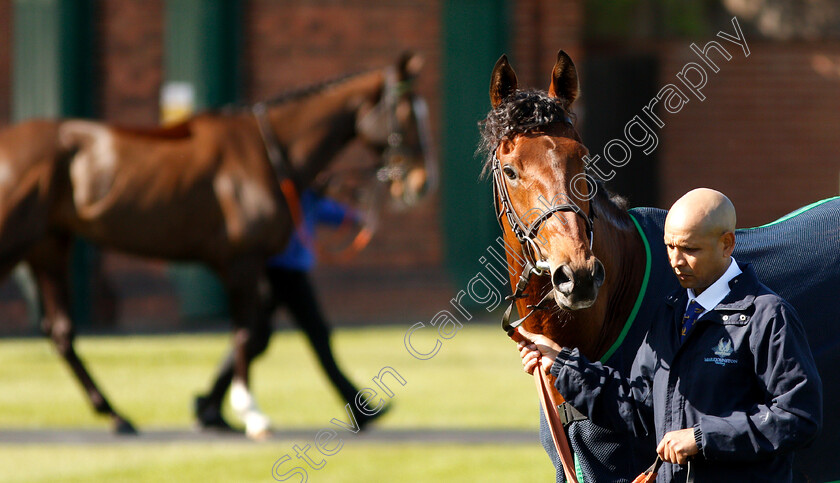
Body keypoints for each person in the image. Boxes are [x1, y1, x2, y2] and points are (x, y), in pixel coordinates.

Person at [519, 188, 822, 482]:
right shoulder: (671, 311)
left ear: (727, 244)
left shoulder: (768, 316)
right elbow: (636, 406)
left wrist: (702, 438)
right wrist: (561, 364)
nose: (676, 261)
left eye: (690, 249)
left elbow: (799, 417)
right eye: (669, 246)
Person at [196, 188, 385, 430]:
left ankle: (210, 403)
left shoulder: (307, 192)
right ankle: (358, 409)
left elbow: (324, 210)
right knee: (306, 338)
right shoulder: (287, 189)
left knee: (257, 338)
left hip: (290, 272)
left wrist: (355, 217)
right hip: (281, 273)